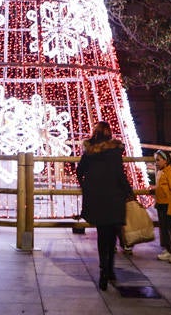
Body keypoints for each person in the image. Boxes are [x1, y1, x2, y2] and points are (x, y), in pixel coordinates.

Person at [76, 120, 133, 291]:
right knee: (113, 234)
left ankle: (103, 271)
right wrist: (129, 192)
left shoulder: (89, 152)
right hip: (114, 198)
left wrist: (86, 187)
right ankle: (111, 269)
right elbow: (120, 175)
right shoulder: (115, 151)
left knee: (102, 236)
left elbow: (79, 171)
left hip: (98, 198)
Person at [151, 149, 171, 264]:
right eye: (155, 160)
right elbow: (161, 187)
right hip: (161, 205)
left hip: (169, 205)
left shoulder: (170, 172)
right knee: (164, 229)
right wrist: (154, 189)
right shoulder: (160, 171)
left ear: (165, 160)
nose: (156, 162)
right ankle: (168, 250)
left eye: (158, 160)